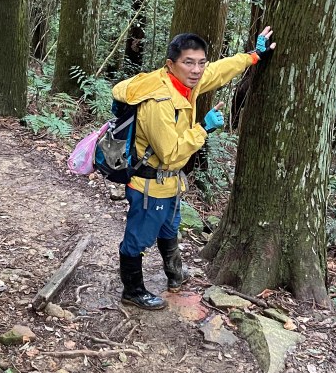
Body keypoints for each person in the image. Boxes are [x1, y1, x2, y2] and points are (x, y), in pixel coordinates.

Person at [112, 28, 275, 309]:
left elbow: (219, 71)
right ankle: (132, 290)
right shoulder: (159, 101)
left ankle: (175, 274)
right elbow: (170, 153)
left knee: (169, 228)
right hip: (150, 185)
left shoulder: (185, 83)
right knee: (138, 238)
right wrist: (203, 129)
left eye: (201, 62)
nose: (197, 70)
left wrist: (253, 56)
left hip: (169, 183)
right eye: (189, 62)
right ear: (171, 63)